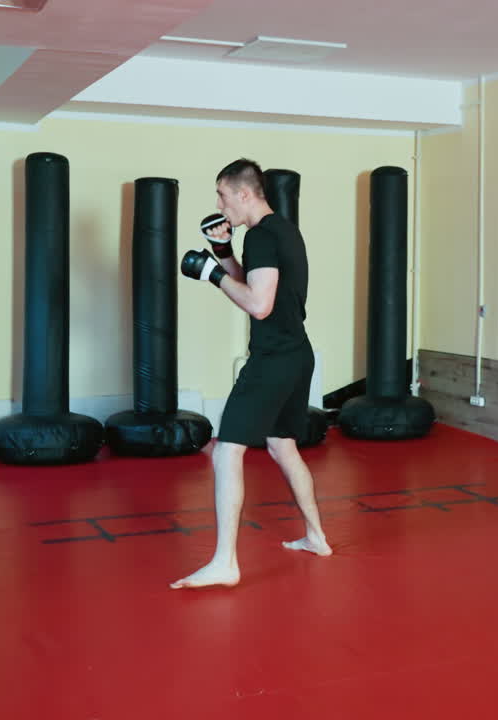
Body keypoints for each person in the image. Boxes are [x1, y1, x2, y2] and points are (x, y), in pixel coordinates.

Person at [173, 159, 331, 589]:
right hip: (298, 354)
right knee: (282, 446)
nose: (219, 205)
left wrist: (210, 273)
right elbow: (259, 288)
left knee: (226, 451)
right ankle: (316, 536)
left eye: (222, 195)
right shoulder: (283, 231)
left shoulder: (260, 236)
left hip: (273, 358)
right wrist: (224, 254)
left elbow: (258, 305)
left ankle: (225, 562)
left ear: (244, 194)